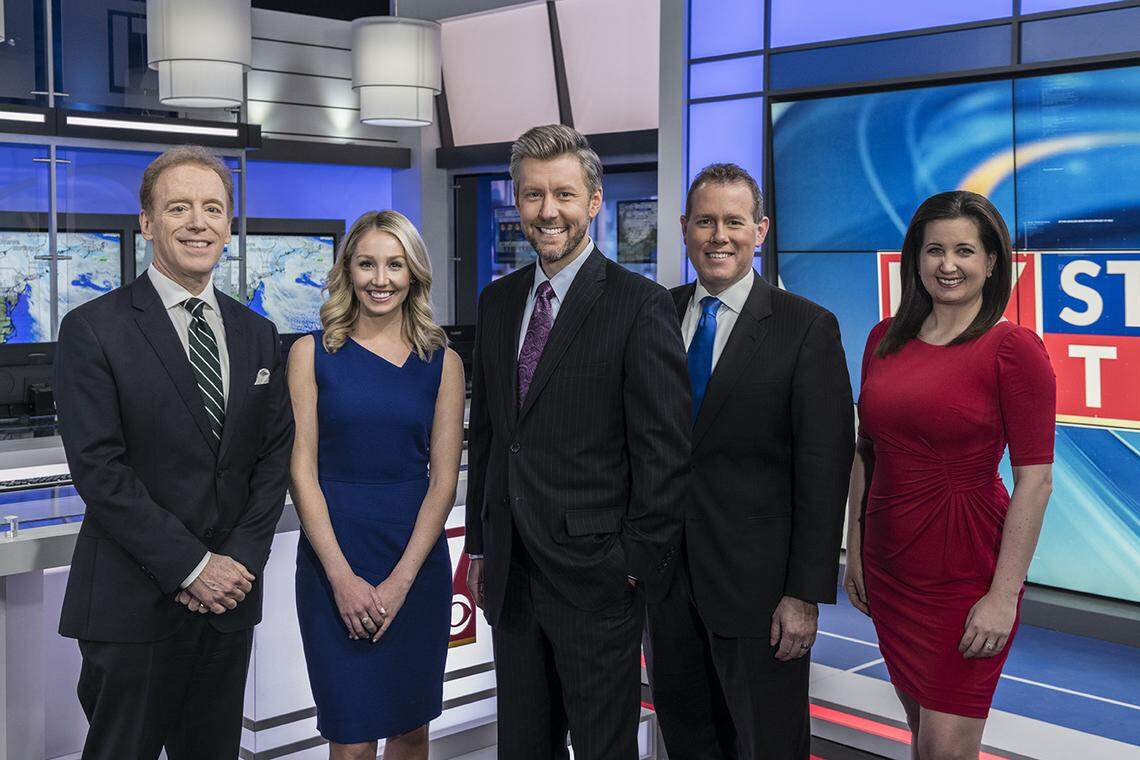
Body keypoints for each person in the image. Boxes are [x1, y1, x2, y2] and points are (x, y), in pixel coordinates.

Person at [54, 145, 294, 759]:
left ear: (229, 224)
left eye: (213, 208)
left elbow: (271, 459)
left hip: (229, 604)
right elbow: (100, 472)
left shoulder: (257, 332)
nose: (198, 222)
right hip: (133, 603)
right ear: (147, 222)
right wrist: (194, 567)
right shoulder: (93, 329)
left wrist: (235, 563)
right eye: (179, 207)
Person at [463, 124, 690, 760]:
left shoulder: (639, 305)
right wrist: (481, 546)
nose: (547, 211)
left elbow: (665, 456)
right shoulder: (500, 301)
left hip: (597, 581)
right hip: (513, 579)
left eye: (563, 194)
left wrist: (630, 566)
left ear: (593, 200)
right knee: (523, 748)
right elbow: (490, 438)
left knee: (602, 749)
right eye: (533, 195)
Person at [645, 162, 855, 759]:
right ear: (683, 228)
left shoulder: (807, 327)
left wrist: (804, 593)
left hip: (761, 595)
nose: (719, 236)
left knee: (767, 746)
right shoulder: (655, 314)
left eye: (734, 222)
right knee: (688, 740)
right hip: (666, 587)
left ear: (759, 231)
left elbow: (824, 470)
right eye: (705, 221)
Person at [846, 190, 1055, 758]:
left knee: (944, 749)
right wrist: (855, 549)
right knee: (922, 741)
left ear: (992, 262)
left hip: (965, 579)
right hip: (891, 571)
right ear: (915, 258)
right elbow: (866, 452)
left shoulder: (1014, 349)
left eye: (965, 250)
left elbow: (1035, 479)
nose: (948, 264)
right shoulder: (882, 339)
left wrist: (1003, 596)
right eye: (934, 249)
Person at [288, 210, 464, 760]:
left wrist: (400, 582)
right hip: (333, 559)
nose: (380, 279)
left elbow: (443, 483)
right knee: (351, 732)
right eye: (367, 264)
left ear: (414, 274)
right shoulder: (310, 353)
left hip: (415, 565)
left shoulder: (444, 362)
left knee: (411, 730)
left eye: (395, 264)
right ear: (348, 271)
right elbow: (302, 471)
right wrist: (341, 578)